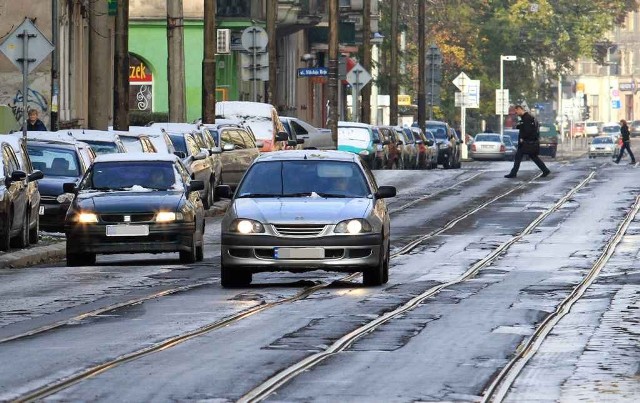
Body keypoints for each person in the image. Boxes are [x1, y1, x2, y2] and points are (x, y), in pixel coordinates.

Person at [504, 105, 550, 178]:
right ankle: (545, 170)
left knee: (518, 157)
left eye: (516, 112)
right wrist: (519, 126)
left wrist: (523, 138)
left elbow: (528, 130)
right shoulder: (526, 117)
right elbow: (526, 127)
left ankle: (513, 173)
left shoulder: (527, 118)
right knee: (533, 157)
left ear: (519, 109)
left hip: (526, 142)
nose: (516, 113)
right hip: (529, 142)